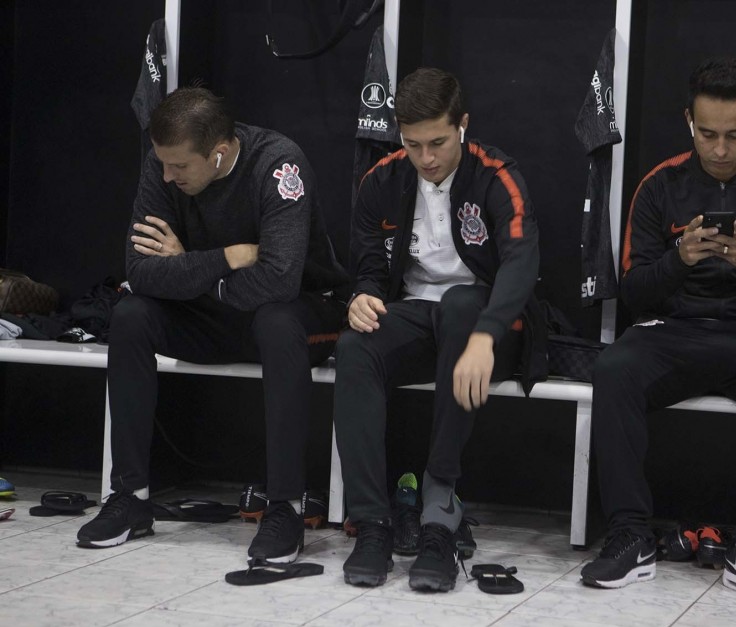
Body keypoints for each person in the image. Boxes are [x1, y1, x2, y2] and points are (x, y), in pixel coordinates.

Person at [580, 58, 736, 606]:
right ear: (688, 122)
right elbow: (634, 291)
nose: (720, 149)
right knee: (614, 368)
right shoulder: (660, 184)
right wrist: (678, 260)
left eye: (735, 135)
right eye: (707, 133)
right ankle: (630, 534)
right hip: (676, 331)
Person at [76, 87, 349, 565]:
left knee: (277, 320)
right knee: (132, 313)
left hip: (300, 317)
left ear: (218, 153)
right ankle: (131, 499)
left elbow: (281, 281)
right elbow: (140, 273)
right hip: (217, 316)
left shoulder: (279, 164)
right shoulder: (164, 163)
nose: (167, 175)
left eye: (180, 167)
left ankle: (284, 507)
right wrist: (228, 257)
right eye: (163, 164)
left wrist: (191, 270)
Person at [335, 67, 540, 592]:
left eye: (438, 143)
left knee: (461, 306)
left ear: (463, 126)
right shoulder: (382, 179)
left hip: (487, 322)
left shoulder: (497, 174)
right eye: (413, 145)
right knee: (355, 347)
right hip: (416, 314)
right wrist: (362, 297)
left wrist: (486, 332)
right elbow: (367, 268)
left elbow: (520, 261)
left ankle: (439, 514)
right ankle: (372, 522)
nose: (426, 158)